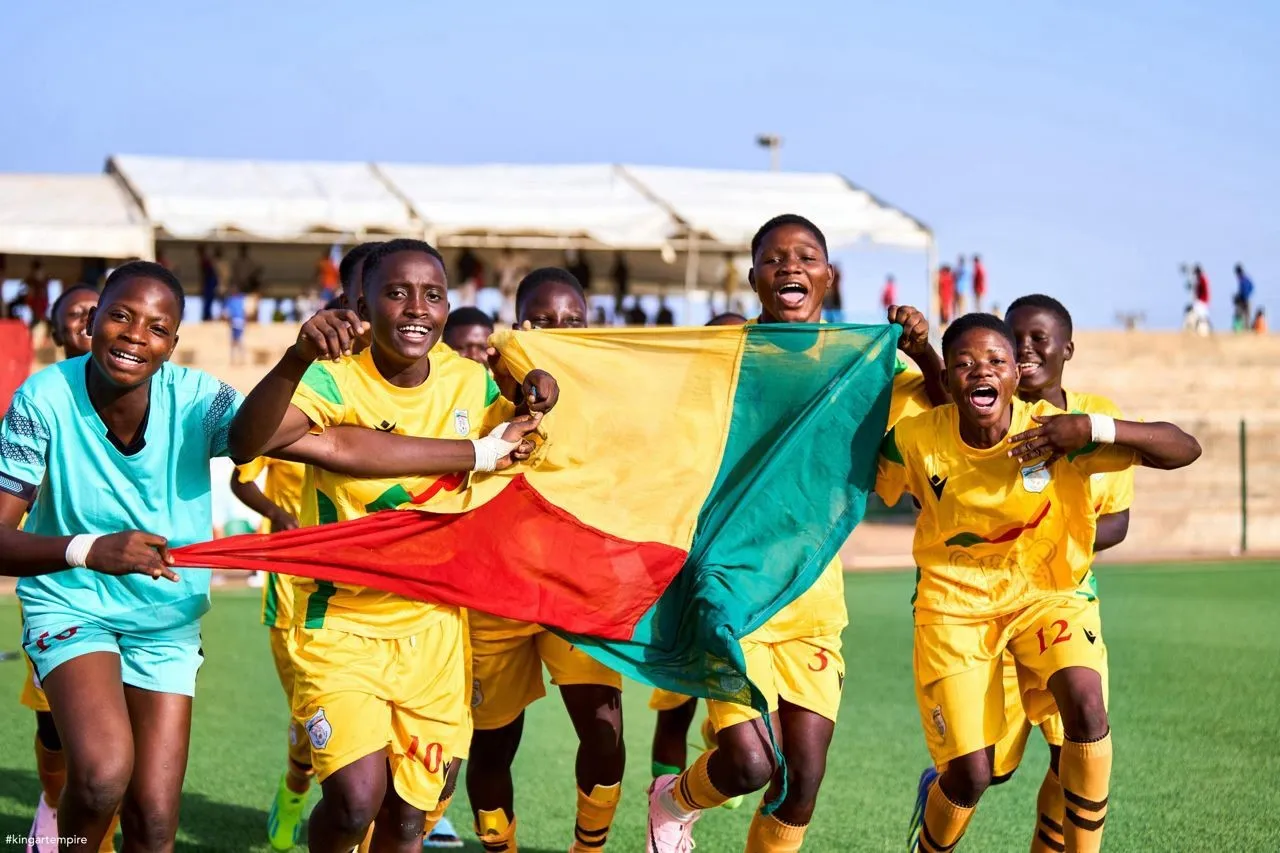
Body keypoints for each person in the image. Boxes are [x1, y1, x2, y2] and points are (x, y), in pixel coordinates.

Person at [227, 238, 556, 853]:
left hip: (433, 631)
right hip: (339, 624)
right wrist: (295, 359)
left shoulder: (467, 383)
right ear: (362, 301)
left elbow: (522, 427)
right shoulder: (334, 376)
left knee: (407, 819)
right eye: (396, 291)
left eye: (432, 295)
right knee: (354, 801)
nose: (415, 308)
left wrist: (536, 390)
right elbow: (249, 442)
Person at [647, 214, 938, 853]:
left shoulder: (863, 364)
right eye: (774, 259)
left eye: (806, 256)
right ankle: (671, 802)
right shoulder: (730, 351)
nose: (790, 267)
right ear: (753, 278)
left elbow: (946, 421)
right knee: (752, 765)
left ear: (829, 276)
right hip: (728, 590)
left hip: (810, 597)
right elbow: (653, 398)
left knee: (801, 780)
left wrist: (924, 352)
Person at [880, 313, 1200, 852]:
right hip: (956, 610)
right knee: (975, 775)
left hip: (1049, 598)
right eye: (964, 364)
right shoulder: (916, 439)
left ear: (1014, 375)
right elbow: (847, 479)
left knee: (1083, 706)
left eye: (996, 361)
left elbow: (1183, 448)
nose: (982, 371)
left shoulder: (1055, 429)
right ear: (951, 380)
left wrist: (1090, 430)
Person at [0, 261, 243, 852]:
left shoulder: (199, 399)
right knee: (103, 774)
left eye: (157, 327)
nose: (137, 335)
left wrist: (474, 451)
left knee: (156, 822)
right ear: (93, 323)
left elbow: (271, 435)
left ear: (174, 343)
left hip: (165, 621)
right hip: (73, 604)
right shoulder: (44, 396)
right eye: (121, 316)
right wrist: (88, 550)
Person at [465, 267, 624, 853]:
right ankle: (499, 847)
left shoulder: (610, 398)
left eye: (572, 321)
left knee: (605, 733)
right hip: (496, 596)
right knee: (491, 748)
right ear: (516, 327)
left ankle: (589, 848)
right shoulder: (478, 388)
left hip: (576, 591)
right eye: (540, 321)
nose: (558, 332)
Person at [16, 282, 124, 853]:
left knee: (121, 738)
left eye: (97, 311)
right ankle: (54, 806)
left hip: (137, 592)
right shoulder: (37, 401)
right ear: (59, 331)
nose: (88, 320)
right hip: (60, 588)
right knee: (56, 726)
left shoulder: (145, 392)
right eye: (76, 314)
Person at [227, 455, 310, 850]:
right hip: (292, 589)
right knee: (310, 715)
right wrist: (275, 512)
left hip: (356, 578)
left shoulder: (368, 403)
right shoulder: (284, 415)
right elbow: (240, 481)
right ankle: (295, 788)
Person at [48, 284, 98, 361]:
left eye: (97, 312)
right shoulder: (48, 373)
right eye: (76, 313)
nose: (88, 317)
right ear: (57, 337)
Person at [1233, 264, 1255, 332]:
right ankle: (1243, 329)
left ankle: (1243, 330)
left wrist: (1244, 295)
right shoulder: (1244, 279)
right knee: (1245, 316)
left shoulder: (1243, 279)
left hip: (1245, 300)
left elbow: (1247, 289)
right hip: (1245, 299)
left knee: (1244, 315)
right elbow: (1251, 287)